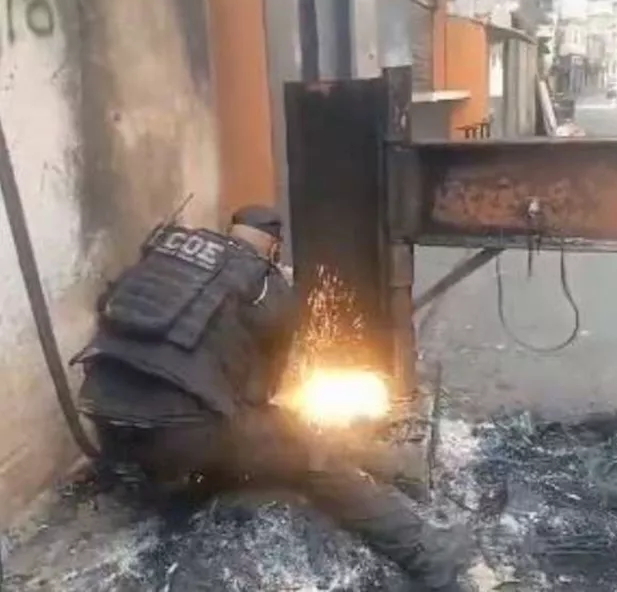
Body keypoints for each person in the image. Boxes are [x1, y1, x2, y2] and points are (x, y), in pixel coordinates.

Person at [73, 205, 468, 591]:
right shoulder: (264, 286)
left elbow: (110, 314)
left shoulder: (165, 251)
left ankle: (166, 476)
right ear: (274, 249)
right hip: (183, 431)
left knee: (214, 440)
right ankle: (428, 554)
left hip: (101, 416)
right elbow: (257, 399)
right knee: (310, 456)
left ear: (231, 233)